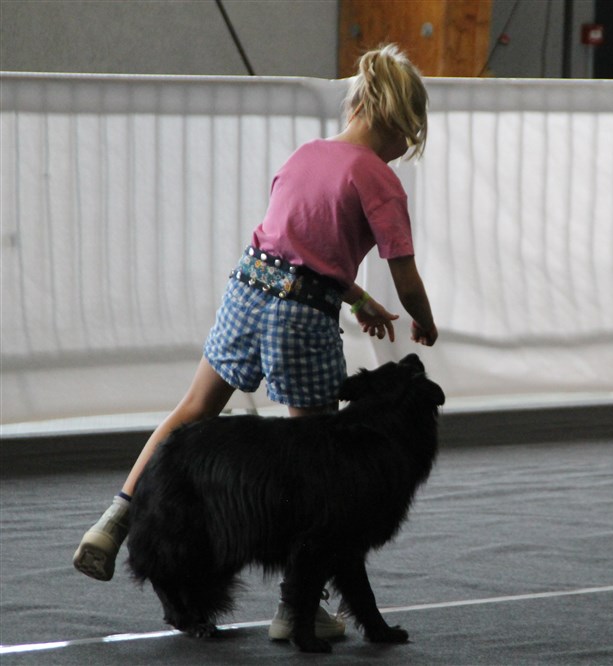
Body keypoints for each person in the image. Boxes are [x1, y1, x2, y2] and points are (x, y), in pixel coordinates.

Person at [72, 44, 438, 642]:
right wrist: (423, 319)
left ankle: (116, 517)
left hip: (246, 291)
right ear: (400, 121)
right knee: (318, 464)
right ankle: (299, 609)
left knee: (193, 409)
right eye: (410, 137)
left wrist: (356, 300)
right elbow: (405, 274)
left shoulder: (305, 156)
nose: (405, 149)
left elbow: (295, 247)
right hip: (302, 317)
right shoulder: (380, 180)